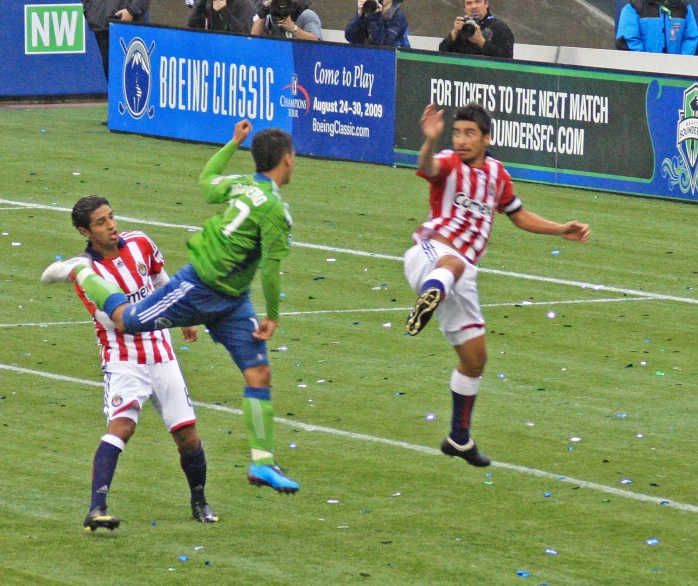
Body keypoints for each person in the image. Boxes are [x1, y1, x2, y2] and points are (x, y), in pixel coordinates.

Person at [42, 120, 300, 495]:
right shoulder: (276, 210)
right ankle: (81, 271)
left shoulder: (243, 185)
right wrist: (273, 315)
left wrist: (232, 143)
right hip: (200, 287)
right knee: (127, 320)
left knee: (258, 372)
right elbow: (272, 269)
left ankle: (262, 463)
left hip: (233, 301)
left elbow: (207, 180)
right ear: (289, 160)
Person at [404, 103, 590, 467]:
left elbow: (517, 214)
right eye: (456, 132)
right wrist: (428, 141)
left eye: (469, 133)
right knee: (454, 261)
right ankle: (432, 292)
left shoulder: (497, 174)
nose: (460, 140)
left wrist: (559, 228)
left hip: (461, 275)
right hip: (428, 252)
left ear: (487, 138)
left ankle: (458, 439)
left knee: (475, 361)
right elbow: (428, 167)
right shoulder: (448, 162)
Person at [62, 196, 217, 531]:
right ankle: (96, 508)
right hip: (124, 357)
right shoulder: (86, 275)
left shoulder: (141, 243)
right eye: (101, 222)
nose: (111, 225)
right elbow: (120, 322)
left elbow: (162, 281)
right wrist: (167, 316)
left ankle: (200, 501)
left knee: (187, 435)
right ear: (84, 232)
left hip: (161, 352)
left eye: (111, 217)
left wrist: (185, 315)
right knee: (123, 426)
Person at [82, 0, 150, 81]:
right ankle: (115, 94)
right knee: (111, 71)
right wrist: (90, 11)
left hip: (127, 22)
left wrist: (132, 11)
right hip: (101, 22)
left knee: (134, 71)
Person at [438, 0, 514, 59]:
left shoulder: (500, 27)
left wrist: (481, 42)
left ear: (486, 4)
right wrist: (453, 34)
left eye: (478, 1)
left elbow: (507, 58)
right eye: (469, 3)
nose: (473, 6)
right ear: (465, 8)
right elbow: (442, 53)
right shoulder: (464, 27)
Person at [616, 0, 698, 54]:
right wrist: (645, 65)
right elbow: (628, 39)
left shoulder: (683, 6)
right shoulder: (633, 6)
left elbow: (691, 37)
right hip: (643, 73)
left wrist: (680, 62)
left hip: (676, 73)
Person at [344, 0, 410, 48]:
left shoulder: (398, 17)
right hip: (367, 57)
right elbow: (350, 36)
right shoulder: (368, 11)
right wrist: (360, 13)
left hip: (395, 60)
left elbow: (384, 44)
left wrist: (375, 17)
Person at [251, 0, 322, 40]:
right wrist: (262, 14)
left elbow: (317, 42)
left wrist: (293, 28)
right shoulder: (276, 17)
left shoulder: (307, 15)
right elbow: (254, 38)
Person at [187, 0, 256, 33]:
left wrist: (224, 10)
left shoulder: (242, 4)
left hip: (234, 48)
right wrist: (200, 4)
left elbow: (244, 33)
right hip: (214, 45)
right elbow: (192, 26)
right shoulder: (208, 3)